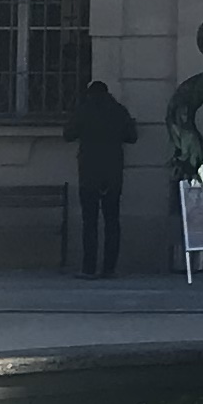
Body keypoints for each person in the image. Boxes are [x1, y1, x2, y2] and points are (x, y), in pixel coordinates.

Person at [63, 77, 140, 279]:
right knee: (112, 221)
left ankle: (89, 268)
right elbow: (132, 137)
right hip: (113, 174)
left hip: (89, 173)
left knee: (90, 222)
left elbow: (68, 134)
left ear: (89, 94)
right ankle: (109, 268)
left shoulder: (84, 110)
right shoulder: (118, 111)